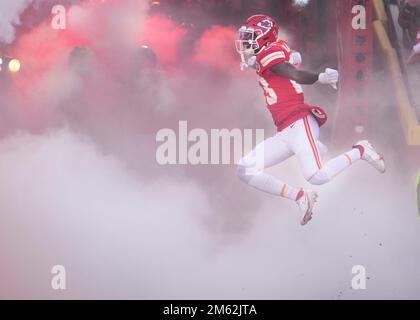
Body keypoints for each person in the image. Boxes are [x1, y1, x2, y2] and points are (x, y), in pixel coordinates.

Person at [235, 15, 386, 226]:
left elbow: (290, 72)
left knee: (317, 176)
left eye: (250, 37)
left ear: (265, 38)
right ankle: (300, 197)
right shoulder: (272, 52)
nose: (244, 42)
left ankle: (361, 150)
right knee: (245, 168)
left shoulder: (270, 54)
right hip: (285, 130)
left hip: (299, 121)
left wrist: (319, 78)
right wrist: (268, 60)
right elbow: (292, 59)